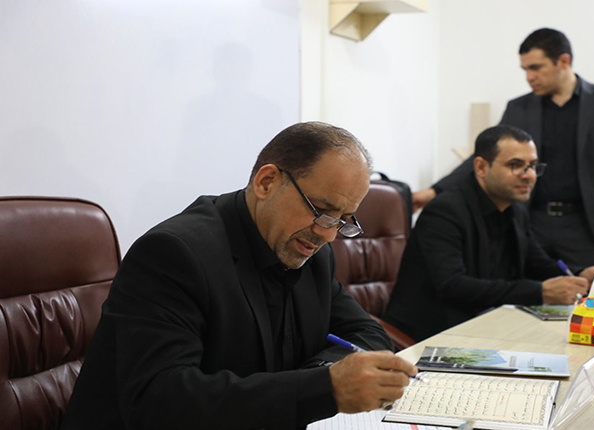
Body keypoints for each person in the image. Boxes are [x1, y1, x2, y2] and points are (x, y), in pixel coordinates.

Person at [61, 122, 417, 430]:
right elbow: (159, 401)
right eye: (322, 210)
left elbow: (367, 333)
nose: (328, 234)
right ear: (267, 182)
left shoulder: (312, 254)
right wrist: (323, 388)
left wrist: (322, 376)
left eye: (342, 220)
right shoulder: (174, 254)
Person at [412, 28, 594, 268]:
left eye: (536, 68)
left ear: (563, 61)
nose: (529, 77)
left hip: (586, 226)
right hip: (530, 221)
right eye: (525, 70)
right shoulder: (519, 108)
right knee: (526, 288)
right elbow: (485, 157)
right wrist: (435, 191)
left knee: (585, 289)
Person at [384, 125, 594, 342]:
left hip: (486, 326)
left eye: (533, 166)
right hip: (432, 335)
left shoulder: (515, 209)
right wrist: (538, 292)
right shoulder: (445, 210)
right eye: (515, 165)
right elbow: (452, 286)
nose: (529, 175)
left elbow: (537, 263)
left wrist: (579, 275)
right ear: (481, 167)